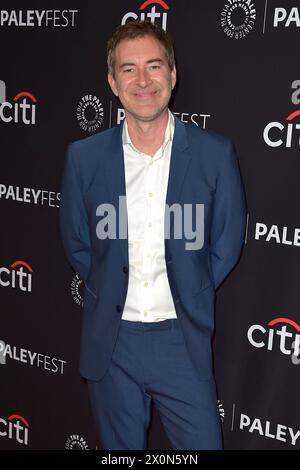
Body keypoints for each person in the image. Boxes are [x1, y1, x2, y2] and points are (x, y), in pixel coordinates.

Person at [59, 20, 246, 450]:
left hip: (181, 341)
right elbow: (78, 243)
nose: (142, 80)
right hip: (112, 343)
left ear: (173, 74)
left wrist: (188, 288)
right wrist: (110, 289)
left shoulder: (214, 155)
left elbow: (226, 242)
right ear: (112, 81)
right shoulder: (83, 159)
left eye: (154, 66)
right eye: (128, 69)